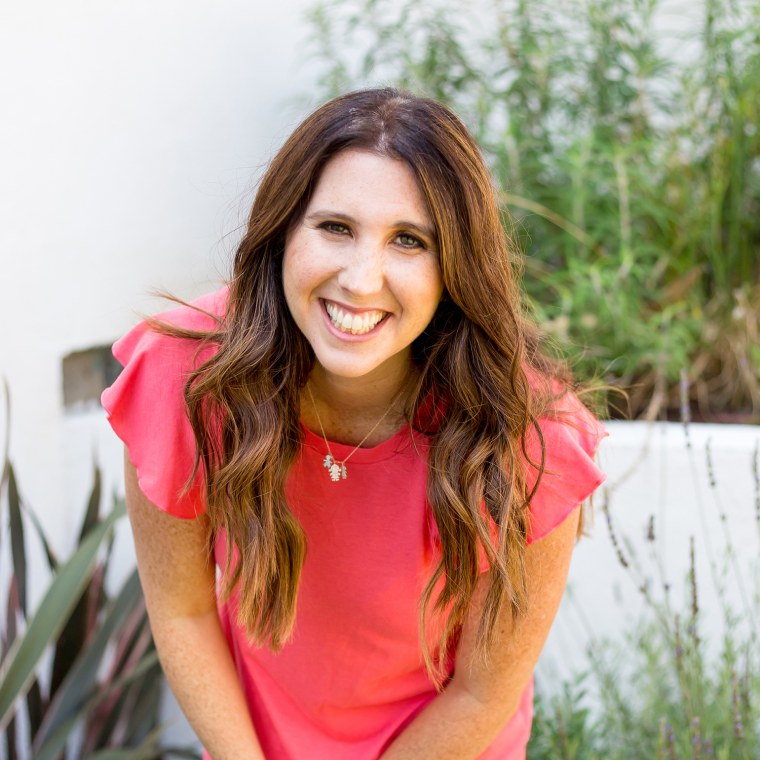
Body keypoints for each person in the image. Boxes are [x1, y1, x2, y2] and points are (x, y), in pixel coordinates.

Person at [102, 87, 606, 760]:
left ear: (453, 268)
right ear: (284, 231)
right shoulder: (189, 375)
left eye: (408, 240)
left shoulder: (525, 435)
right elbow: (183, 610)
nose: (361, 280)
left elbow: (483, 692)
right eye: (335, 227)